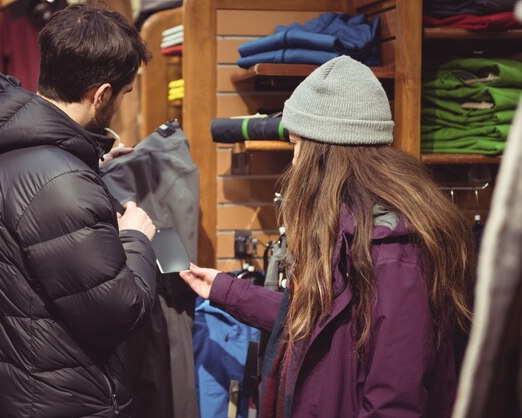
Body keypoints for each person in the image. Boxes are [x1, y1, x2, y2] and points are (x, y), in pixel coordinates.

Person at [180, 55, 474, 418]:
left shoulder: (393, 250)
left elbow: (394, 399)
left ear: (326, 151)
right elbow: (318, 325)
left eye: (297, 144)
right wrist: (225, 289)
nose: (295, 158)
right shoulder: (349, 228)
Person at [0, 4, 155, 417]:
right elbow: (117, 314)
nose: (119, 102)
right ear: (102, 94)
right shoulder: (60, 183)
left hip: (12, 392)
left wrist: (84, 165)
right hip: (62, 401)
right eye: (123, 92)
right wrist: (136, 238)